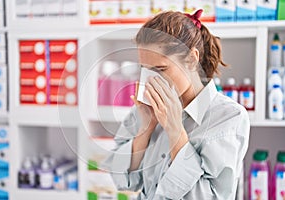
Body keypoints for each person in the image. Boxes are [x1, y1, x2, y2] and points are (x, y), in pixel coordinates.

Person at [103, 9, 250, 199]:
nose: (151, 80)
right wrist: (146, 129)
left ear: (191, 58)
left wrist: (175, 131)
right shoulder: (148, 106)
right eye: (145, 69)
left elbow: (209, 196)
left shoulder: (229, 117)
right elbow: (122, 180)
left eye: (161, 69)